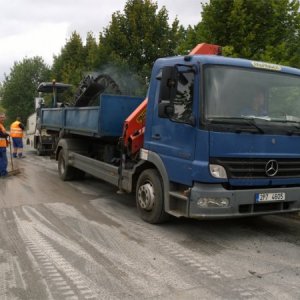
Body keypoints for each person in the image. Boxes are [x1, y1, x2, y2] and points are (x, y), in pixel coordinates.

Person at [0, 113, 9, 177]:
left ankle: (1, 173)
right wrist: (6, 134)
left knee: (1, 159)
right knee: (3, 159)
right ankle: (3, 173)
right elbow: (1, 134)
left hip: (2, 145)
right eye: (1, 117)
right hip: (1, 145)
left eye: (3, 117)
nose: (3, 118)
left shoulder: (1, 125)